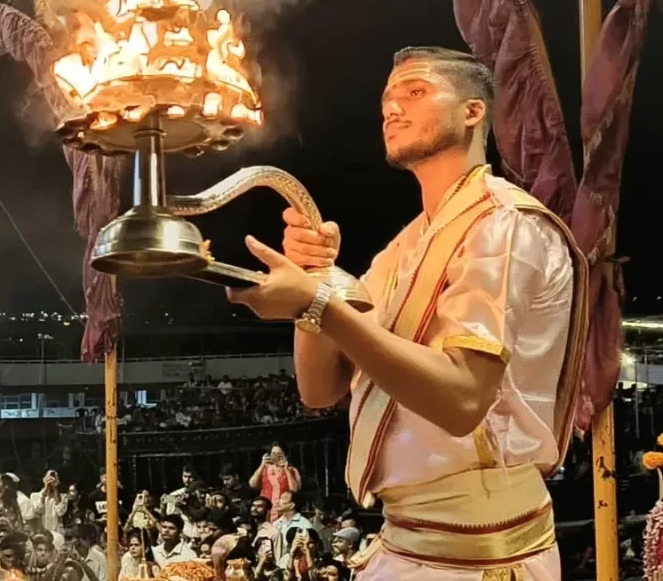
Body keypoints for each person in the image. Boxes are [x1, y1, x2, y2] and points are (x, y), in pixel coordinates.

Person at [227, 47, 586, 578]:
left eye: (415, 92)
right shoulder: (404, 247)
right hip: (405, 539)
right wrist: (319, 279)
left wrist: (318, 302)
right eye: (386, 101)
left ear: (472, 111)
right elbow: (320, 389)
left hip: (480, 553)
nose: (392, 109)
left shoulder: (505, 225)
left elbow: (463, 400)